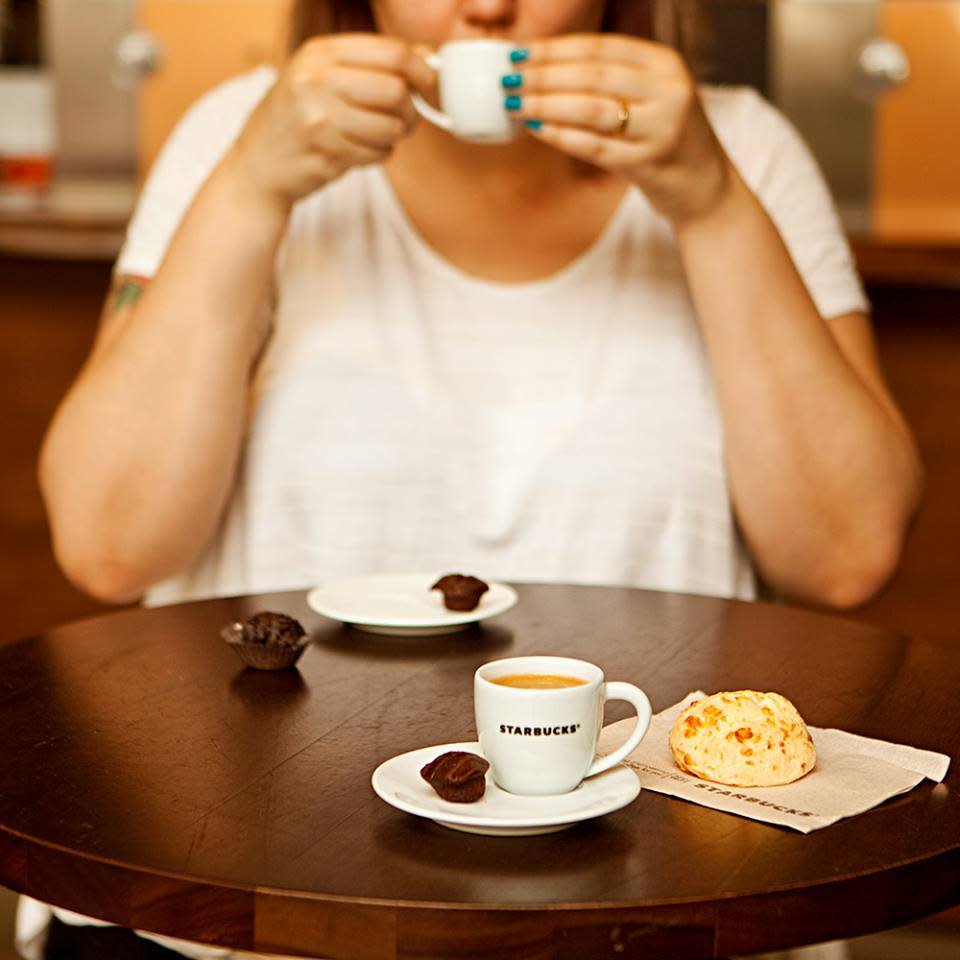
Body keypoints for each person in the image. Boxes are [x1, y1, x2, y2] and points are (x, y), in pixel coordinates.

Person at [23, 1, 922, 958]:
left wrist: (710, 202)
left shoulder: (740, 148)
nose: (486, 4)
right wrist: (249, 188)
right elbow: (108, 543)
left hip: (662, 903)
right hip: (236, 906)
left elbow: (846, 554)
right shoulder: (239, 132)